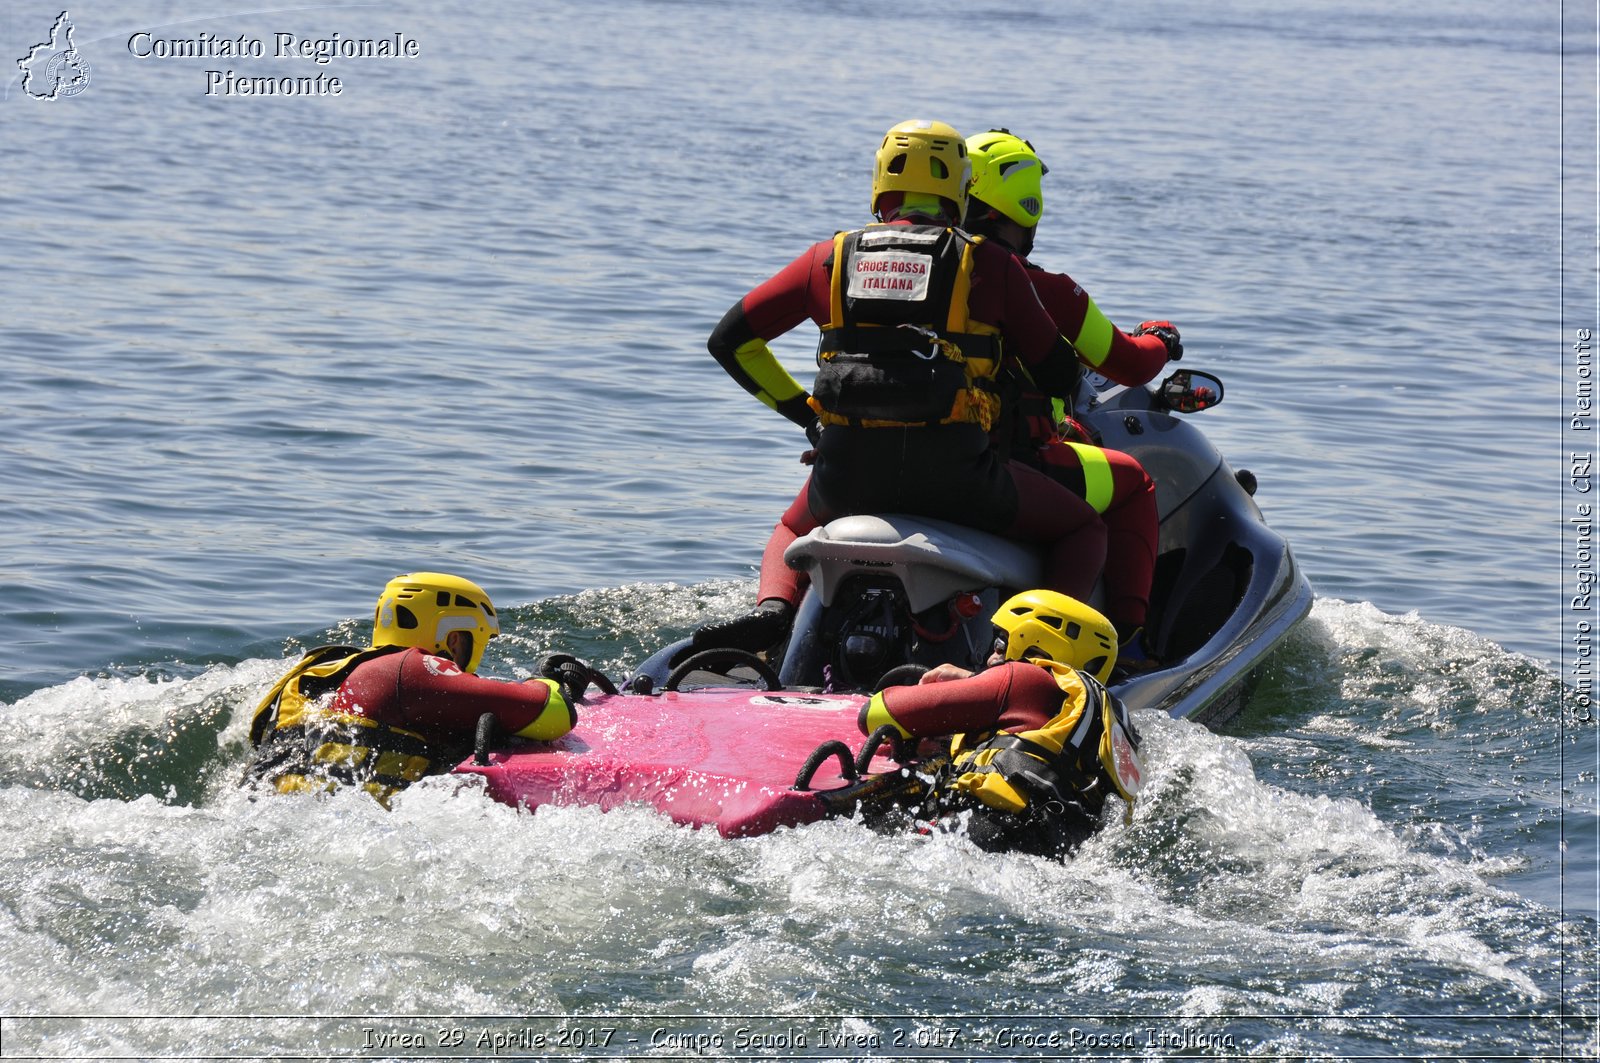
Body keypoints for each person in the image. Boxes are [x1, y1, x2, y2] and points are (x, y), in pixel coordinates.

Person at [697, 119, 1106, 653]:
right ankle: (1045, 653)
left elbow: (731, 342)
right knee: (1085, 530)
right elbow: (1058, 374)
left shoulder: (827, 259)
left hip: (846, 480)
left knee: (790, 530)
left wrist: (809, 418)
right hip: (962, 482)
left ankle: (774, 613)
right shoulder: (990, 264)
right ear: (961, 191)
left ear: (880, 188)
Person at [963, 128, 1184, 666]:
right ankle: (1127, 642)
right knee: (1133, 483)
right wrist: (1160, 337)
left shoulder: (914, 274)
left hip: (899, 454)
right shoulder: (1047, 289)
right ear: (1024, 199)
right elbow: (1128, 362)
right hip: (1006, 463)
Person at [244, 572, 581, 805]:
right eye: (475, 643)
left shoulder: (314, 673)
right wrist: (549, 679)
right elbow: (554, 713)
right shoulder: (412, 670)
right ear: (452, 638)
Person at [856, 589, 1145, 857]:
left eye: (1000, 642)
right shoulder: (1104, 722)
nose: (991, 655)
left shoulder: (1022, 678)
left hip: (980, 842)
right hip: (1048, 855)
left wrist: (976, 684)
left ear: (1039, 647)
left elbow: (875, 714)